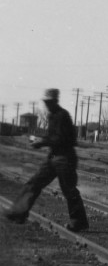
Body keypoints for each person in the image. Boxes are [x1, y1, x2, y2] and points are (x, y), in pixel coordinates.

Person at [4, 88, 89, 232]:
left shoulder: (63, 116)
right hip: (54, 157)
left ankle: (79, 222)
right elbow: (52, 137)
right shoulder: (52, 116)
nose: (47, 105)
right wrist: (42, 141)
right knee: (34, 183)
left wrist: (42, 142)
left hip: (65, 158)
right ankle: (18, 213)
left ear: (55, 101)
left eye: (49, 102)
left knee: (69, 191)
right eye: (46, 102)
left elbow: (61, 139)